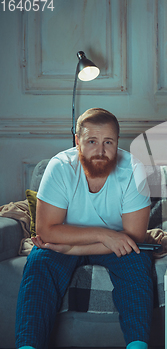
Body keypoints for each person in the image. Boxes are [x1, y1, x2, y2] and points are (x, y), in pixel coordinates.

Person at [15, 108, 152, 349]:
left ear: (117, 141)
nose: (100, 151)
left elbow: (135, 236)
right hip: (82, 241)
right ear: (77, 141)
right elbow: (47, 231)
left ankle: (137, 345)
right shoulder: (59, 167)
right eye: (91, 141)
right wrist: (104, 234)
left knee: (137, 259)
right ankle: (28, 345)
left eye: (108, 142)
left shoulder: (134, 169)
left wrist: (72, 248)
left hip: (110, 245)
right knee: (40, 260)